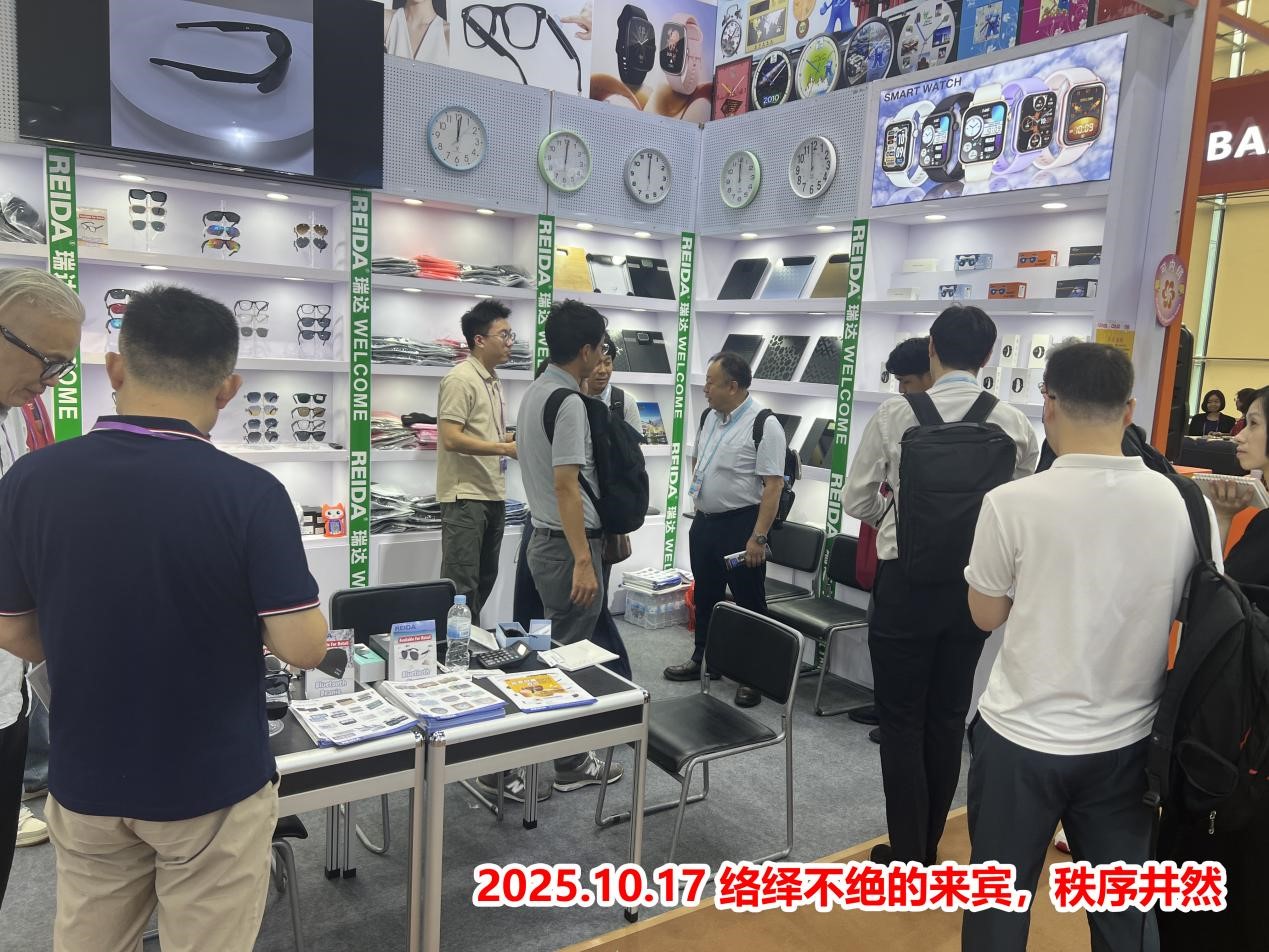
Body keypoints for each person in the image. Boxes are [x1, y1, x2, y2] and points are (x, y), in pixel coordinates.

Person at [0, 285, 329, 948]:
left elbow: (12, 627)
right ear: (228, 389)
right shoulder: (252, 493)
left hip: (87, 774)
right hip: (213, 778)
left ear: (115, 369)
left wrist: (82, 644)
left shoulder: (29, 480)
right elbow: (303, 647)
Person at [960, 343, 1218, 952]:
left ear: (1047, 403)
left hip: (1020, 736)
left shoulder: (1011, 502)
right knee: (1124, 918)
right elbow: (1197, 612)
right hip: (1129, 742)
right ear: (1129, 410)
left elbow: (985, 615)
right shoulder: (1187, 502)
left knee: (997, 911)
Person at [843, 305, 1039, 866]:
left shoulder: (896, 414)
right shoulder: (1013, 422)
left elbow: (857, 499)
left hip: (905, 583)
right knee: (950, 715)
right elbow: (1017, 507)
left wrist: (895, 520)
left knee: (901, 720)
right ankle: (929, 844)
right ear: (988, 356)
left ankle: (910, 853)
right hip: (974, 589)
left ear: (931, 348)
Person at [1159, 383, 1269, 950]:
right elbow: (1223, 600)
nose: (1239, 435)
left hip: (1243, 740)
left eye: (1254, 424)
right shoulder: (1260, 519)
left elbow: (1224, 614)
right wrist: (1224, 518)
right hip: (1232, 730)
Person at [500, 299, 625, 795]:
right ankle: (564, 762)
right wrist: (583, 561)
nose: (602, 359)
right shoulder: (568, 402)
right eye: (600, 349)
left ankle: (515, 756)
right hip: (565, 547)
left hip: (543, 538)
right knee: (568, 657)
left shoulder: (536, 391)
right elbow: (567, 485)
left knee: (546, 650)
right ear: (587, 350)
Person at [0, 269, 83, 901]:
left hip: (8, 698)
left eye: (63, 367)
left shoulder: (13, 416)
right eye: (47, 361)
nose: (49, 381)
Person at [663, 351, 787, 708]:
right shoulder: (710, 417)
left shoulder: (765, 424)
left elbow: (773, 486)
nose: (705, 389)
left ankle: (753, 677)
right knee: (706, 595)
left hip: (741, 527)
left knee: (749, 602)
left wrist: (758, 537)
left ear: (732, 387)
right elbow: (700, 460)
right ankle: (705, 659)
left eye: (711, 383)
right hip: (705, 522)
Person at [853, 336, 935, 742]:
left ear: (931, 371)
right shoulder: (1001, 418)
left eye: (906, 380)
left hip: (901, 555)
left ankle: (896, 719)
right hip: (957, 559)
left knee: (895, 644)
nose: (901, 389)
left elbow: (857, 497)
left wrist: (884, 519)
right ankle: (892, 710)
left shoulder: (894, 416)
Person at [437, 299, 517, 626]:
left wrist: (513, 440)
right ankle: (455, 648)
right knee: (461, 584)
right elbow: (451, 438)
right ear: (479, 340)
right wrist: (504, 448)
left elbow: (485, 431)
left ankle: (470, 642)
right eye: (504, 335)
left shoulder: (492, 379)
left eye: (511, 335)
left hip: (492, 492)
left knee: (485, 578)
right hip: (466, 496)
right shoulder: (461, 379)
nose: (510, 342)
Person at [580, 332, 638, 680]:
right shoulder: (572, 398)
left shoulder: (622, 402)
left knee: (599, 587)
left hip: (608, 510)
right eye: (598, 362)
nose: (603, 370)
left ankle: (605, 667)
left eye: (609, 362)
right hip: (578, 506)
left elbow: (632, 462)